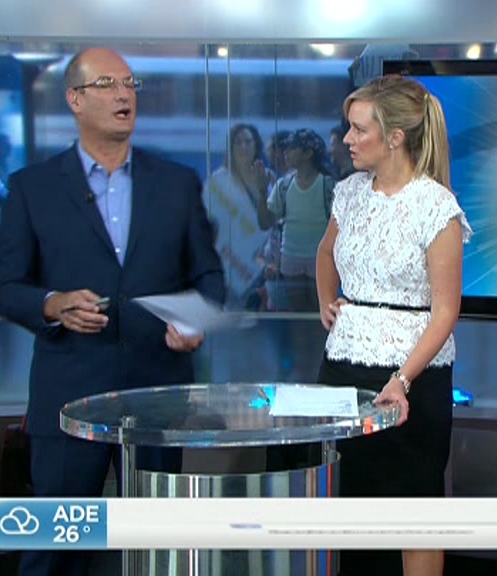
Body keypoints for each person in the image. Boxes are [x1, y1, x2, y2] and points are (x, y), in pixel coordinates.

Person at [0, 47, 225, 576]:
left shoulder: (176, 183)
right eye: (107, 84)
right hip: (70, 393)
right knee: (56, 550)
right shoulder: (33, 189)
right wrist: (52, 304)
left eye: (129, 84)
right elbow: (4, 288)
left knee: (159, 547)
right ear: (75, 99)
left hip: (158, 397)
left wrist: (195, 320)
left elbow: (209, 277)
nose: (124, 95)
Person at [315, 75, 472, 576]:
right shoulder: (348, 193)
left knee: (413, 514)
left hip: (411, 380)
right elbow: (325, 253)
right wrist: (327, 302)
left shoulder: (436, 207)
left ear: (396, 137)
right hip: (343, 370)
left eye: (359, 129)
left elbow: (445, 311)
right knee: (346, 508)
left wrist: (402, 380)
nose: (347, 139)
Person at [202, 123, 277, 310]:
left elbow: (275, 221)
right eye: (238, 142)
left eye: (248, 142)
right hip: (227, 265)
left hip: (263, 268)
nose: (243, 147)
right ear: (231, 147)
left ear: (256, 145)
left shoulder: (268, 177)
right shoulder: (217, 182)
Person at [266, 128, 336, 312]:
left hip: (321, 257)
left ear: (308, 153)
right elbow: (266, 222)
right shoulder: (283, 185)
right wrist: (260, 191)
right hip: (290, 257)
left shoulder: (329, 186)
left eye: (292, 148)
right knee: (298, 313)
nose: (286, 153)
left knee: (321, 312)